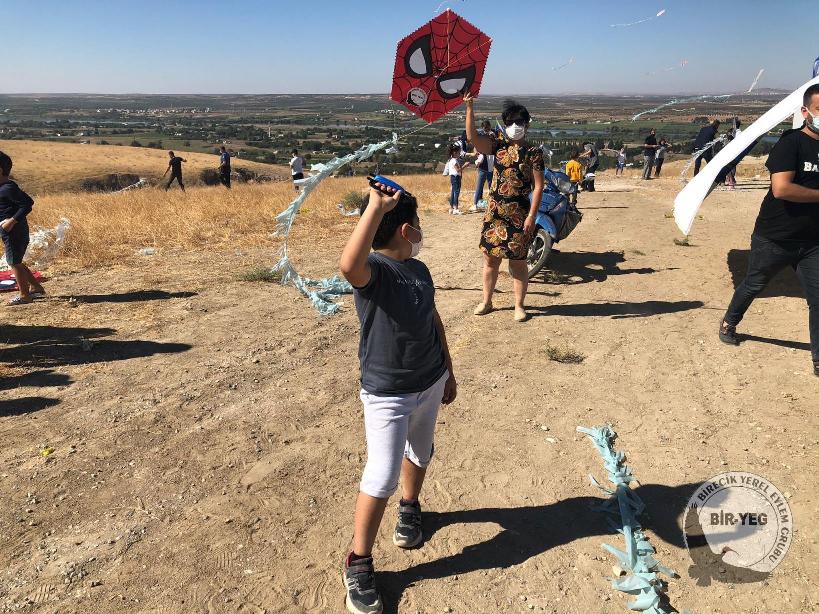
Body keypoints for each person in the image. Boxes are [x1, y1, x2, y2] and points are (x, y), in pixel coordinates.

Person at [338, 180, 457, 614]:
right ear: (407, 230)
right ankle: (359, 560)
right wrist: (374, 207)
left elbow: (432, 319)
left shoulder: (419, 270)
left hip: (430, 381)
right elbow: (348, 265)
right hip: (388, 394)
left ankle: (410, 507)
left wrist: (448, 369)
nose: (423, 230)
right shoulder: (375, 272)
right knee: (381, 474)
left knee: (421, 451)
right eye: (419, 223)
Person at [719, 84, 819, 377]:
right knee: (754, 284)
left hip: (813, 240)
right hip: (775, 237)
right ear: (805, 112)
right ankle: (729, 322)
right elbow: (781, 188)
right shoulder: (791, 143)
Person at [464, 94, 545, 322]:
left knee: (518, 263)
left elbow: (539, 187)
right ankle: (486, 301)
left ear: (527, 124)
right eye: (510, 122)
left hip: (520, 216)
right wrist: (469, 106)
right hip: (495, 215)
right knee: (490, 260)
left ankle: (519, 305)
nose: (515, 126)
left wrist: (532, 216)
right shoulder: (498, 145)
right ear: (504, 123)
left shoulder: (534, 153)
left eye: (519, 122)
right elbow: (472, 137)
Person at [0, 151, 45, 305]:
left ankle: (24, 295)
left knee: (14, 263)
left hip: (14, 231)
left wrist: (11, 221)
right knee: (16, 261)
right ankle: (36, 287)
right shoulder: (5, 187)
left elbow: (27, 204)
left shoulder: (8, 188)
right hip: (11, 231)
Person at [443, 145, 469, 215]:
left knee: (453, 192)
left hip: (453, 177)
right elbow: (458, 170)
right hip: (456, 177)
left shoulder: (451, 160)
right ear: (455, 153)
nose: (459, 154)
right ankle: (456, 209)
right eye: (459, 153)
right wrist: (465, 165)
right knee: (456, 192)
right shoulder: (454, 161)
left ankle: (451, 208)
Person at [471, 147, 493, 211]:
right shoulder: (490, 143)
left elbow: (477, 164)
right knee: (491, 186)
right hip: (490, 158)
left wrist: (477, 155)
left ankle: (475, 204)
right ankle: (492, 203)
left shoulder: (481, 154)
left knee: (479, 186)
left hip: (483, 167)